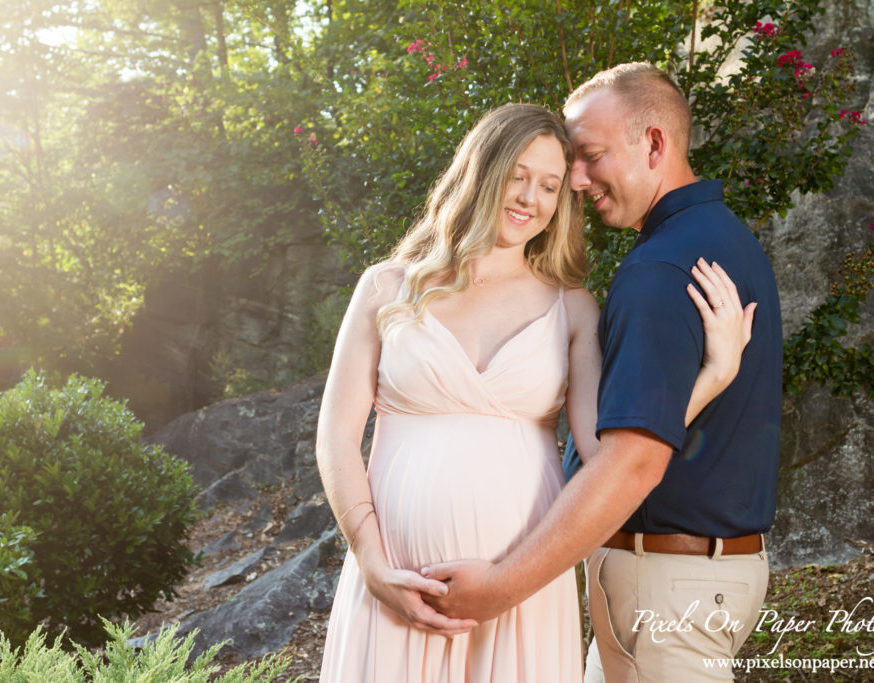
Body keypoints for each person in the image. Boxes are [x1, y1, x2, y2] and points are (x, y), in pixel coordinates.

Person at [316, 102, 754, 682]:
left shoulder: (571, 307)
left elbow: (608, 455)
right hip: (396, 579)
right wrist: (371, 561)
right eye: (518, 176)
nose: (530, 198)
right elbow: (336, 439)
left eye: (550, 186)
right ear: (481, 170)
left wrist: (712, 378)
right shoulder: (386, 287)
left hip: (520, 593)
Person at [422, 63, 783, 683]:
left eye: (588, 156)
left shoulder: (660, 270)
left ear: (653, 144)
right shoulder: (727, 240)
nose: (576, 182)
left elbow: (632, 458)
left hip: (666, 590)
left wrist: (500, 588)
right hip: (692, 583)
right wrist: (714, 379)